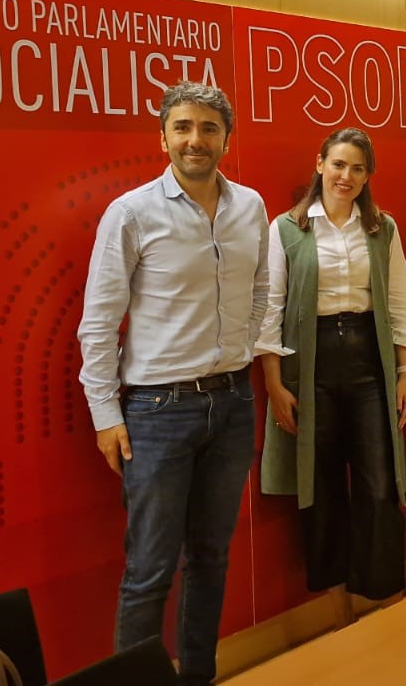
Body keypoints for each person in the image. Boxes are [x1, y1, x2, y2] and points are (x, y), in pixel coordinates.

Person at [76, 82, 266, 686]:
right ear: (162, 137)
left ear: (225, 140)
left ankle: (198, 678)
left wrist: (239, 351)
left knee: (211, 560)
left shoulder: (250, 207)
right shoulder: (130, 213)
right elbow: (99, 322)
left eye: (209, 129)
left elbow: (262, 290)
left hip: (233, 402)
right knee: (150, 570)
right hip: (157, 412)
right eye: (182, 127)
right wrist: (106, 414)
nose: (195, 140)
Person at [256, 127, 406, 621]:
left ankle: (381, 600)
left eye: (357, 168)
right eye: (338, 165)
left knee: (378, 483)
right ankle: (336, 611)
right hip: (309, 365)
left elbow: (397, 302)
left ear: (368, 175)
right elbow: (271, 308)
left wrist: (404, 372)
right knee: (321, 482)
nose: (346, 176)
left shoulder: (382, 228)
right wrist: (273, 384)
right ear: (320, 164)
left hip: (369, 360)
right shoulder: (287, 228)